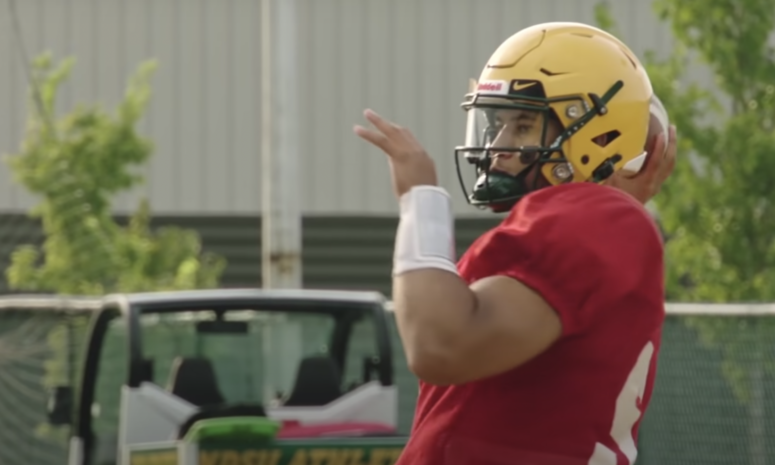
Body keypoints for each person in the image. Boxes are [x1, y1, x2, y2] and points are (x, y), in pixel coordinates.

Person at [354, 22, 676, 465]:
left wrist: (419, 200)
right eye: (497, 125)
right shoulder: (594, 220)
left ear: (599, 134)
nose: (499, 146)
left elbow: (440, 344)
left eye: (524, 125)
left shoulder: (596, 218)